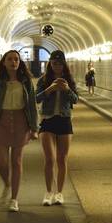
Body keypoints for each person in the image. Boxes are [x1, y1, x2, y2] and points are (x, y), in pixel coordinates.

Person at [0, 49, 38, 212]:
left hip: (20, 123)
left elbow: (32, 105)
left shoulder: (26, 81)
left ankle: (14, 199)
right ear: (4, 62)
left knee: (16, 161)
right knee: (2, 162)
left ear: (20, 62)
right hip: (1, 122)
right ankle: (7, 183)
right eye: (10, 59)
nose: (13, 62)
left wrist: (34, 128)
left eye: (16, 59)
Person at [35, 49, 78, 205]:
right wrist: (50, 89)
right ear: (50, 64)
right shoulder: (44, 80)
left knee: (62, 159)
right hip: (47, 120)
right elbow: (36, 98)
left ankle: (59, 193)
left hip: (64, 120)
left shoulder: (69, 80)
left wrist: (66, 89)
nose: (57, 66)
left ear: (64, 64)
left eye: (60, 64)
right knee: (49, 159)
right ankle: (48, 192)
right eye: (54, 63)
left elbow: (75, 99)